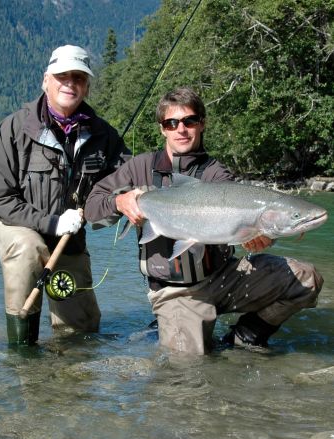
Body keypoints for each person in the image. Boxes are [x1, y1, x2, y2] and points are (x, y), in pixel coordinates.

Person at [84, 86, 324, 355]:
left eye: (190, 121)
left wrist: (259, 238)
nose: (181, 129)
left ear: (202, 124)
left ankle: (246, 335)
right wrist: (120, 202)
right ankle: (168, 323)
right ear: (162, 128)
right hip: (175, 292)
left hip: (223, 278)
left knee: (306, 279)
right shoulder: (139, 167)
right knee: (189, 369)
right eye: (172, 123)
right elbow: (92, 208)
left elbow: (245, 230)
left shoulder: (216, 173)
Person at [0, 44, 130, 347]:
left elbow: (126, 182)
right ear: (45, 80)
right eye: (62, 76)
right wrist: (51, 223)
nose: (70, 83)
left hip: (69, 240)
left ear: (87, 86)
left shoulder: (104, 135)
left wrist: (126, 201)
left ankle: (66, 380)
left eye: (78, 78)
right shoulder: (14, 128)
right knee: (28, 248)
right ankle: (23, 349)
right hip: (11, 227)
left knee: (82, 335)